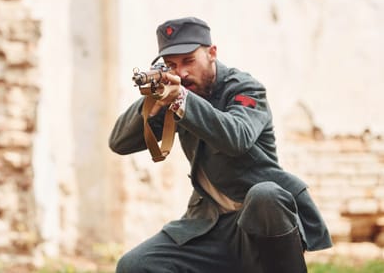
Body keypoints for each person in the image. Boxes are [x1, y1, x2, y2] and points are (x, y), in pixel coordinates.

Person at [108, 17, 332, 273]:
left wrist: (181, 98)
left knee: (266, 195)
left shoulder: (245, 88)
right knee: (134, 265)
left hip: (259, 222)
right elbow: (119, 143)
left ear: (212, 53)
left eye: (189, 61)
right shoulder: (178, 93)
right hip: (208, 224)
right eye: (172, 65)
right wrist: (153, 102)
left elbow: (236, 138)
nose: (181, 73)